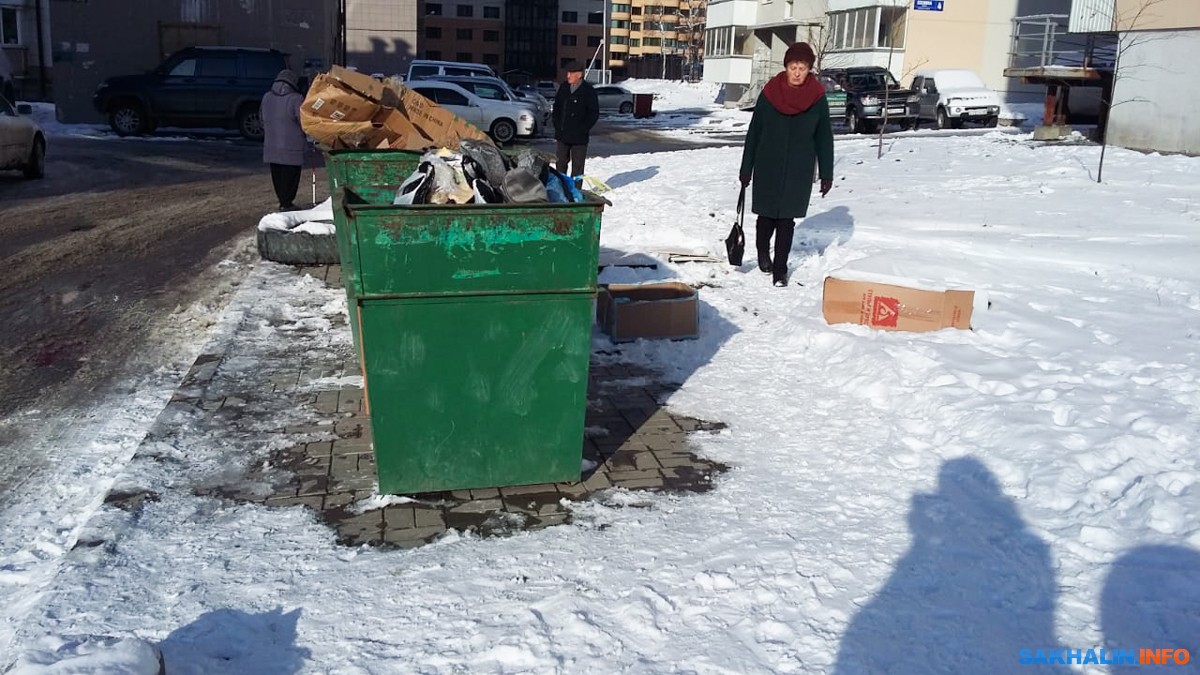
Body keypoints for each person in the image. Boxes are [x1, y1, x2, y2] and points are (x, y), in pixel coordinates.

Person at [739, 42, 835, 287]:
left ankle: (780, 270)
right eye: (793, 67)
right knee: (766, 218)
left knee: (786, 221)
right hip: (768, 164)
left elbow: (824, 136)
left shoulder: (816, 97)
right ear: (786, 67)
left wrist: (826, 173)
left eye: (802, 68)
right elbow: (755, 132)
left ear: (809, 69)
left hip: (798, 169)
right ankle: (763, 251)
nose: (797, 72)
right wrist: (746, 168)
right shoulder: (771, 93)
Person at [261, 69, 307, 212]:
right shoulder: (296, 99)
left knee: (278, 176)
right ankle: (287, 204)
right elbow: (303, 121)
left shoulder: (266, 97)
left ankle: (283, 202)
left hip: (271, 146)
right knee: (291, 177)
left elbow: (261, 119)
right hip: (292, 147)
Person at [552, 61, 599, 182]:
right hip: (563, 135)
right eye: (567, 73)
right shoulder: (563, 88)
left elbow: (593, 114)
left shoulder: (588, 91)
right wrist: (557, 125)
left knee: (577, 168)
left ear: (579, 74)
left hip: (579, 138)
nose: (568, 76)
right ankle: (560, 191)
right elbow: (556, 108)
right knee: (560, 165)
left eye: (571, 73)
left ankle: (575, 193)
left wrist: (583, 129)